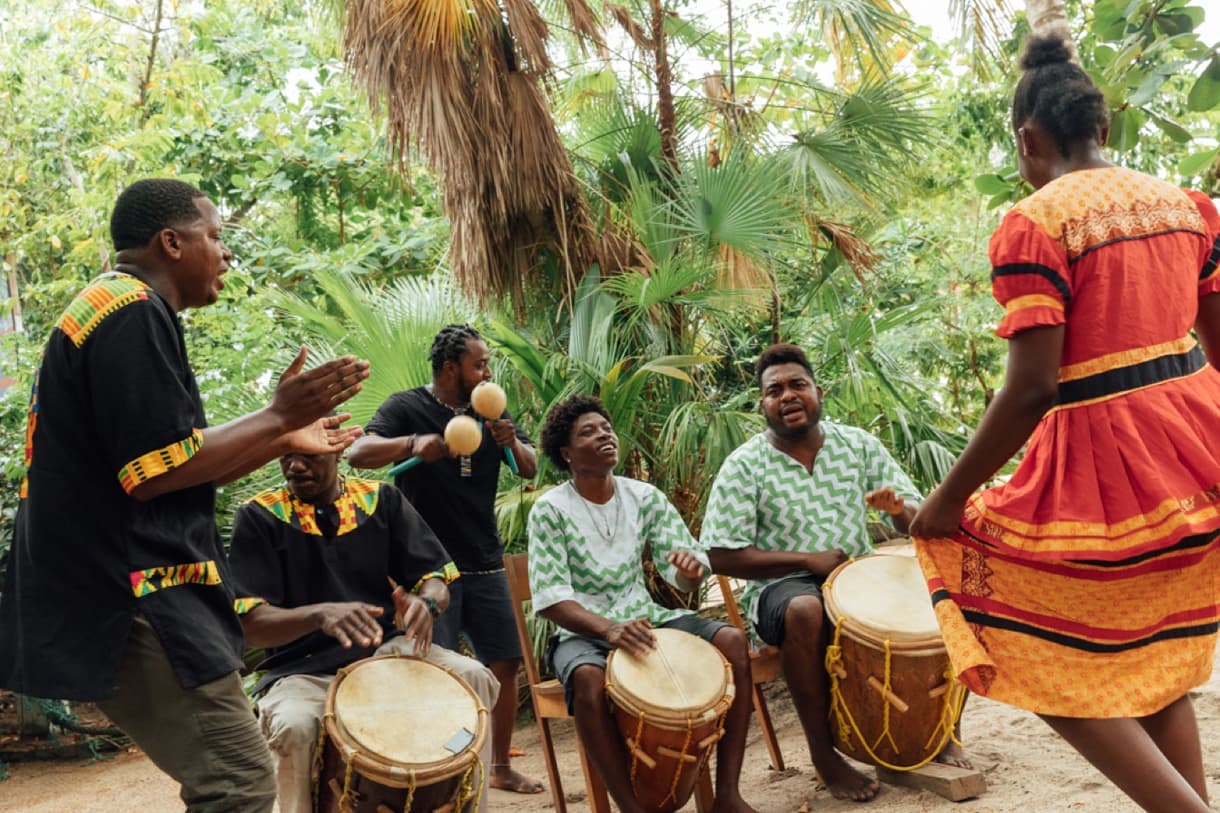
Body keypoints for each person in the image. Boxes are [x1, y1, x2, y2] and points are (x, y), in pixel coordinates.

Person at [909, 34, 1220, 813]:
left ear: (1027, 140)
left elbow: (1032, 390)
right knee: (1151, 662)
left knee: (1030, 649)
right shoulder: (1186, 207)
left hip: (1108, 479)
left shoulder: (1036, 225)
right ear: (1102, 128)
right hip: (1198, 461)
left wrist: (946, 501)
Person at [0, 179, 370, 813]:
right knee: (238, 781)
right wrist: (277, 415)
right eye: (215, 236)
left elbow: (174, 468)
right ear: (171, 243)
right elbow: (152, 473)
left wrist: (281, 437)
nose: (225, 253)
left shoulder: (115, 307)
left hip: (118, 587)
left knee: (234, 780)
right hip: (130, 591)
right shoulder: (130, 312)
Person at [701, 343, 931, 802]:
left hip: (857, 580)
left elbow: (917, 519)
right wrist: (807, 561)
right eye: (775, 390)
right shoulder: (744, 465)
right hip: (779, 589)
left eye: (797, 385)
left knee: (929, 590)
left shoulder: (857, 445)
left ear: (817, 392)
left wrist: (897, 509)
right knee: (805, 609)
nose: (787, 395)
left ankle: (934, 734)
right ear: (762, 404)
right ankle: (824, 756)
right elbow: (721, 555)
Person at [227, 447, 499, 813]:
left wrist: (427, 604)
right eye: (286, 454)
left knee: (473, 677)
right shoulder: (259, 515)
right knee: (294, 726)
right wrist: (318, 615)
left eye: (309, 455)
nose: (295, 465)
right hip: (302, 671)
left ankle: (470, 806)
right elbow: (251, 626)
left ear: (337, 450)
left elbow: (436, 579)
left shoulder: (380, 500)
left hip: (386, 654)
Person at [528, 394, 759, 813]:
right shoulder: (550, 510)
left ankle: (728, 794)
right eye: (589, 432)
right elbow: (551, 599)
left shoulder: (644, 496)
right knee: (588, 680)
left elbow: (683, 574)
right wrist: (609, 629)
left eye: (606, 428)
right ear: (567, 453)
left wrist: (690, 571)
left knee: (732, 642)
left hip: (647, 619)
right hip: (581, 633)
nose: (605, 435)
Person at [345, 323, 542, 794]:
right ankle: (441, 774)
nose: (488, 372)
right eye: (480, 365)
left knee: (505, 662)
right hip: (427, 571)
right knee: (434, 670)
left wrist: (511, 441)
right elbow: (358, 452)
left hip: (485, 559)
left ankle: (499, 767)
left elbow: (530, 467)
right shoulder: (405, 407)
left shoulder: (490, 408)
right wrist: (411, 444)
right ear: (451, 368)